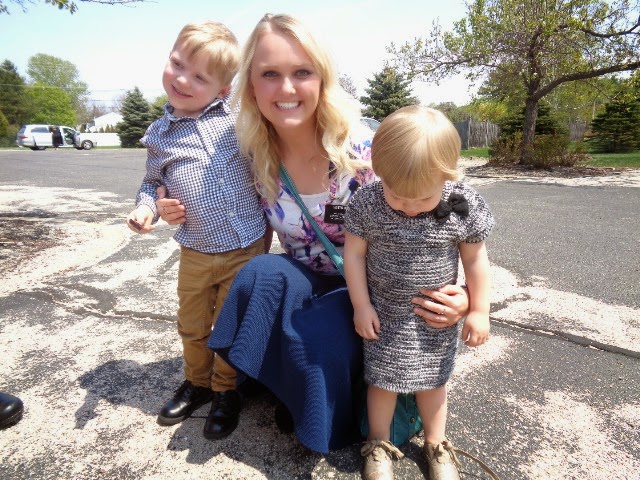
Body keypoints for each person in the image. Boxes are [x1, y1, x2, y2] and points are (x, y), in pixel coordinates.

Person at [158, 13, 470, 453]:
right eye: (270, 74)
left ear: (322, 79)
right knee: (259, 274)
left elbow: (445, 209)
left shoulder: (365, 151)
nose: (286, 89)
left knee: (318, 338)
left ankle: (318, 398)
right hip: (307, 278)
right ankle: (253, 383)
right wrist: (164, 202)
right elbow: (189, 166)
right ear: (250, 85)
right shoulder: (253, 152)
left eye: (301, 72)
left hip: (374, 291)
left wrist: (464, 296)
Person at [126, 20, 267, 440]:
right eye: (177, 64)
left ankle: (225, 389)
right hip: (196, 248)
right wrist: (149, 207)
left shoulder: (238, 117)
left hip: (245, 246)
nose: (182, 79)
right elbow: (152, 181)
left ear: (223, 89)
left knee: (230, 324)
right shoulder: (159, 134)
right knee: (191, 322)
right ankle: (197, 382)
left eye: (200, 77)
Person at [343, 105, 495, 480]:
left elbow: (476, 259)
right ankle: (378, 444)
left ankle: (436, 444)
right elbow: (354, 254)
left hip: (435, 317)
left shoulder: (462, 206)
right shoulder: (367, 202)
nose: (409, 208)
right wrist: (361, 305)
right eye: (397, 197)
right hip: (385, 314)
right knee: (381, 380)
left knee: (434, 382)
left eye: (423, 200)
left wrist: (479, 310)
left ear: (447, 176)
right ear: (380, 172)